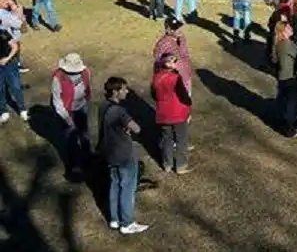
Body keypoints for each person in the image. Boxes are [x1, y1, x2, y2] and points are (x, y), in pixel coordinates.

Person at [98, 77, 150, 234]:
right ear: (115, 91)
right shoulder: (120, 111)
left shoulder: (103, 106)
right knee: (127, 188)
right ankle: (127, 223)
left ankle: (114, 219)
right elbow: (136, 129)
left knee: (115, 185)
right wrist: (129, 128)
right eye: (124, 89)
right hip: (124, 154)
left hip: (110, 153)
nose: (126, 92)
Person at [151, 53, 193, 174]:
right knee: (181, 139)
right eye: (173, 61)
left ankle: (167, 164)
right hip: (178, 113)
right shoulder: (175, 78)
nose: (175, 63)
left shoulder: (156, 77)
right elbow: (183, 95)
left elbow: (154, 95)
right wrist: (189, 104)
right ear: (168, 63)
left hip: (163, 113)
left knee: (166, 138)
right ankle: (181, 165)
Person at [52, 53, 91, 177]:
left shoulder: (85, 72)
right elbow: (57, 101)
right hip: (66, 110)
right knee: (71, 137)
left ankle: (88, 156)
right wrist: (67, 118)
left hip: (81, 106)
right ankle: (74, 166)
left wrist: (85, 104)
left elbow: (87, 89)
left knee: (84, 132)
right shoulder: (58, 78)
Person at [270, 20, 297, 137]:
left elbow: (274, 60)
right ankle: (289, 129)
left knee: (282, 99)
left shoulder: (278, 43)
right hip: (290, 76)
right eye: (288, 28)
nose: (291, 28)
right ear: (283, 31)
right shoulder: (287, 44)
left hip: (281, 76)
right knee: (291, 102)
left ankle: (281, 120)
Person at [0, 8, 27, 124]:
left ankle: (22, 109)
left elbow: (15, 47)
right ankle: (3, 111)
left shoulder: (3, 34)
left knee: (15, 87)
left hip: (9, 64)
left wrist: (7, 58)